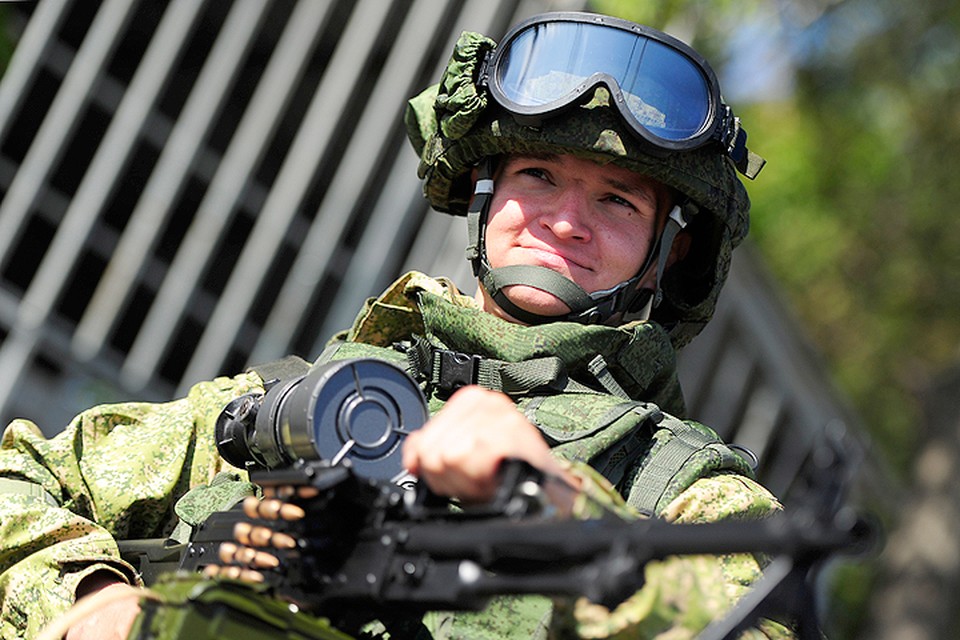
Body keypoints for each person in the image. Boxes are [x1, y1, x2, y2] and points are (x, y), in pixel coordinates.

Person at [0, 11, 790, 640]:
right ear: (482, 193)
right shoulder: (306, 402)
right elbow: (20, 475)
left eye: (616, 200)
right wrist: (91, 599)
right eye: (538, 175)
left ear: (669, 250)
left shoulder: (684, 493)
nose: (564, 221)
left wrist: (553, 506)